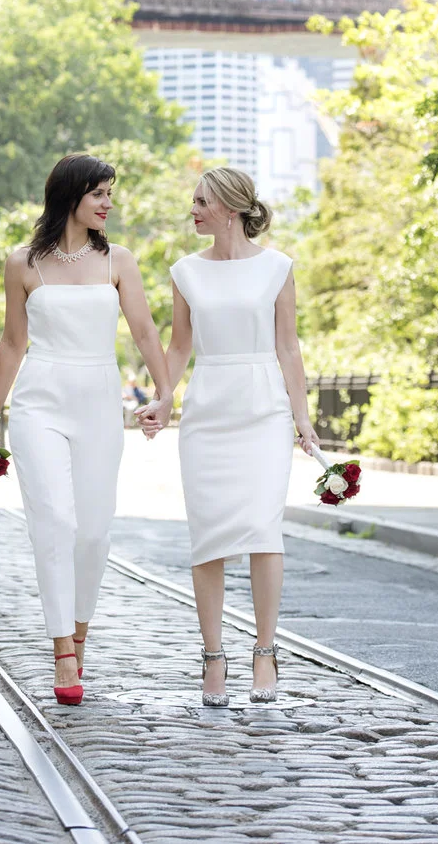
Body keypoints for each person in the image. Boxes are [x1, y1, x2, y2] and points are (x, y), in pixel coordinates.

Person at [0, 153, 172, 706]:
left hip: (98, 400)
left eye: (111, 194)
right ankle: (62, 649)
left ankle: (79, 632)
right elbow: (14, 343)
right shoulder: (23, 263)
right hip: (39, 401)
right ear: (71, 196)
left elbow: (144, 331)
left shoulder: (119, 262)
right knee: (55, 520)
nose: (109, 204)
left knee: (93, 530)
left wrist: (164, 392)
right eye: (100, 194)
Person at [137, 166, 321, 708]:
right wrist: (163, 397)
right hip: (208, 410)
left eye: (200, 202)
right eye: (192, 201)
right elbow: (178, 347)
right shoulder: (185, 271)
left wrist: (301, 418)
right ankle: (213, 657)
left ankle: (265, 653)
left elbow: (289, 347)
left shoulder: (278, 267)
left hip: (263, 408)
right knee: (210, 534)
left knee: (264, 529)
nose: (192, 210)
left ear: (232, 208)